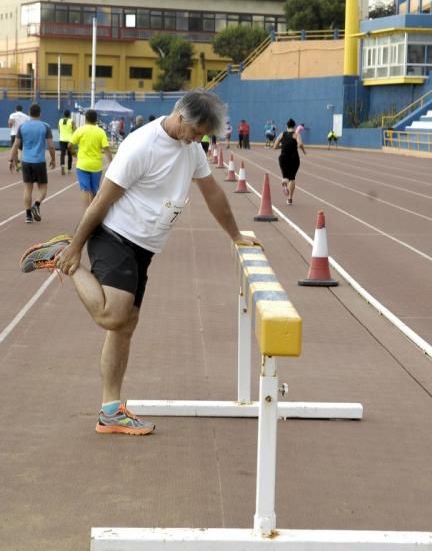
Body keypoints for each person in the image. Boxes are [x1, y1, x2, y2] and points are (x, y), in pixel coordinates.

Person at [20, 89, 260, 436]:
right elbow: (102, 199)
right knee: (112, 315)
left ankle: (110, 411)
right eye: (196, 132)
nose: (198, 139)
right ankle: (61, 255)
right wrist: (76, 246)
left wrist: (235, 234)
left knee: (126, 324)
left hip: (144, 246)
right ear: (181, 117)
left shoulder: (192, 149)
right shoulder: (141, 146)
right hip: (115, 235)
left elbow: (213, 194)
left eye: (203, 136)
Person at [9, 103, 55, 223]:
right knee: (43, 188)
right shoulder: (46, 126)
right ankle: (37, 204)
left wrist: (11, 159)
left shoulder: (22, 127)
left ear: (29, 113)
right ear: (40, 114)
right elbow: (51, 146)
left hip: (26, 161)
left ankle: (28, 216)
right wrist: (53, 159)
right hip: (39, 161)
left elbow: (16, 144)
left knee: (28, 188)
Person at [69, 109, 113, 211]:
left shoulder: (80, 130)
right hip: (96, 166)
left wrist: (73, 153)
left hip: (82, 165)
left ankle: (86, 212)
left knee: (85, 189)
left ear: (85, 119)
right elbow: (106, 149)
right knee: (94, 190)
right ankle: (92, 211)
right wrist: (111, 162)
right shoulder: (100, 132)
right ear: (96, 119)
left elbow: (70, 144)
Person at [273, 118, 306, 205]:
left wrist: (282, 146)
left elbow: (274, 147)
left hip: (283, 158)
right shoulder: (296, 134)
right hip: (294, 158)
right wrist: (304, 151)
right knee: (292, 178)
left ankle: (284, 183)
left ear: (286, 126)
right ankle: (290, 198)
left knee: (285, 176)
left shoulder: (281, 134)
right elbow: (300, 144)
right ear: (294, 126)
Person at [8, 104, 29, 171]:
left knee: (15, 150)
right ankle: (20, 164)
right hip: (22, 134)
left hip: (14, 134)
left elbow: (10, 122)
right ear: (21, 109)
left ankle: (16, 165)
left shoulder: (13, 115)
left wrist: (10, 125)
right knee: (22, 150)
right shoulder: (26, 116)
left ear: (15, 109)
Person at [58, 109, 75, 175]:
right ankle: (69, 169)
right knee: (70, 155)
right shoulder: (72, 121)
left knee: (62, 154)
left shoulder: (60, 120)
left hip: (62, 139)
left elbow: (59, 130)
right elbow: (74, 130)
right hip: (69, 140)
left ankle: (62, 166)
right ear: (70, 115)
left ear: (64, 114)